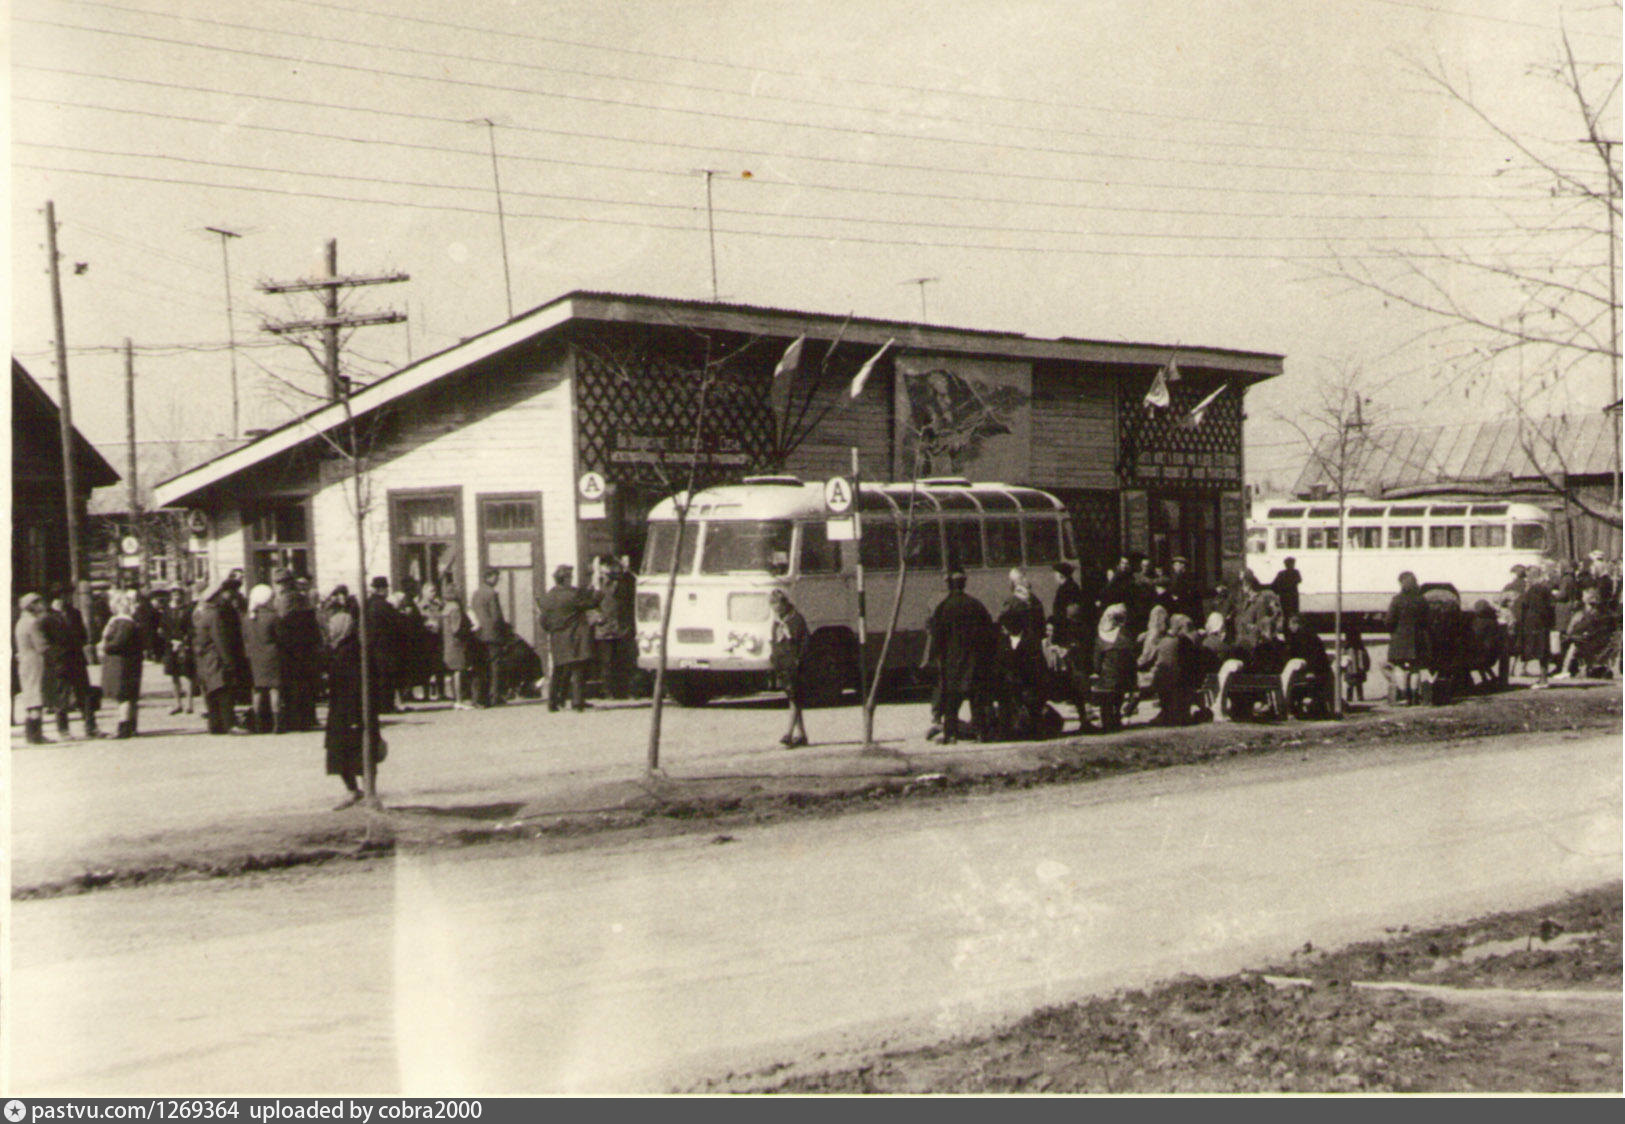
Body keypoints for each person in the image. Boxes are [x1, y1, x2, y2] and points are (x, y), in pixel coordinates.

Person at [323, 599, 385, 810]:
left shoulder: (350, 652)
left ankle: (368, 793)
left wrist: (353, 717)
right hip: (344, 710)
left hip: (351, 711)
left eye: (333, 627)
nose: (330, 631)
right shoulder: (342, 649)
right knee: (341, 753)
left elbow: (355, 686)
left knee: (360, 752)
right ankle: (358, 791)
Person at [925, 570, 995, 744]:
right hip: (975, 661)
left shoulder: (944, 607)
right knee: (976, 700)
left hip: (952, 662)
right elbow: (989, 633)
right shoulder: (976, 605)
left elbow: (937, 636)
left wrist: (934, 658)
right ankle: (981, 733)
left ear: (949, 585)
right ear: (964, 584)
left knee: (951, 701)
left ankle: (951, 735)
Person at [537, 564, 601, 712]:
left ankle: (552, 703)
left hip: (557, 638)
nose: (571, 579)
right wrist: (598, 591)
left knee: (558, 670)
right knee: (578, 668)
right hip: (574, 637)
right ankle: (577, 702)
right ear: (565, 578)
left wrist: (552, 630)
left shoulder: (548, 596)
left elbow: (543, 620)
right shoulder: (573, 594)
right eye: (570, 577)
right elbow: (590, 603)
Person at [194, 577, 247, 735]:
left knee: (212, 692)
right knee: (223, 690)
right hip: (214, 658)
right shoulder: (215, 615)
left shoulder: (203, 613)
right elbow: (220, 640)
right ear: (215, 597)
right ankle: (229, 724)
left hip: (205, 659)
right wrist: (229, 661)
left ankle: (215, 724)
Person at [46, 589, 99, 740]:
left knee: (85, 694)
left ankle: (91, 727)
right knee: (62, 696)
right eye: (57, 598)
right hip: (60, 662)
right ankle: (63, 730)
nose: (61, 600)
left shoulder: (74, 613)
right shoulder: (48, 618)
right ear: (52, 601)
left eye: (63, 597)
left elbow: (83, 634)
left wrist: (78, 643)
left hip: (77, 658)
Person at [274, 575, 323, 731]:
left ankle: (296, 719)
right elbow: (314, 629)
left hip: (292, 651)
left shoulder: (286, 602)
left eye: (281, 583)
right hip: (305, 651)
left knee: (294, 686)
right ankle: (307, 718)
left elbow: (282, 626)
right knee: (305, 686)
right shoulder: (304, 603)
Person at [99, 589, 145, 739]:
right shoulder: (129, 621)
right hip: (129, 662)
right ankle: (131, 727)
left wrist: (104, 647)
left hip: (122, 664)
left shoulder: (123, 622)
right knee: (129, 696)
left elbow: (119, 642)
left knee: (124, 696)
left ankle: (123, 728)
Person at [768, 590, 810, 747]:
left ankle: (788, 734)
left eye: (777, 605)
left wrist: (799, 659)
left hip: (794, 665)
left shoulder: (796, 620)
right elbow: (774, 642)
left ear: (784, 603)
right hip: (782, 665)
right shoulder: (777, 623)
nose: (775, 609)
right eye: (773, 605)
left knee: (794, 699)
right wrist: (774, 659)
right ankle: (803, 735)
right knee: (794, 699)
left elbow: (805, 642)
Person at [593, 554, 637, 700]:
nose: (612, 568)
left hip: (621, 628)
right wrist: (596, 617)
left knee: (622, 661)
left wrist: (626, 570)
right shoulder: (597, 583)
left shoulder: (623, 581)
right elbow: (589, 603)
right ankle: (608, 691)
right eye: (608, 566)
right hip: (604, 629)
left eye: (614, 565)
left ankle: (622, 691)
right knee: (607, 663)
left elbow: (632, 588)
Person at [242, 583, 283, 734]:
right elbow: (280, 637)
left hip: (255, 656)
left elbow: (245, 638)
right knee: (274, 689)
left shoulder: (248, 618)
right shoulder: (273, 617)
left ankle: (258, 723)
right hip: (272, 655)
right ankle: (276, 723)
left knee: (258, 689)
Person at [15, 593, 55, 744]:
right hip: (35, 661)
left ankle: (31, 734)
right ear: (31, 605)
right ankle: (36, 735)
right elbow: (41, 645)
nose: (41, 606)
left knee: (30, 695)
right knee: (37, 694)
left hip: (24, 661)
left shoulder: (21, 622)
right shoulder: (33, 622)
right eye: (38, 603)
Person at [1093, 604, 1138, 733]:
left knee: (1105, 699)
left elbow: (1096, 663)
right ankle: (1117, 715)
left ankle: (1107, 720)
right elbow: (1131, 658)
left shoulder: (1101, 638)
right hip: (1124, 678)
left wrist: (1096, 671)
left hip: (1106, 679)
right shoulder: (1125, 636)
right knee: (1118, 693)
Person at [1385, 571, 1429, 704]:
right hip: (1417, 638)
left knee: (1399, 666)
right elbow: (1427, 619)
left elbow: (1389, 621)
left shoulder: (1397, 600)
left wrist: (1391, 630)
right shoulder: (1421, 600)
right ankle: (1415, 696)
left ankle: (1404, 696)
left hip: (1400, 638)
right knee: (1415, 667)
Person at [1283, 614, 1334, 718]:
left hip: (1315, 671)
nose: (1289, 627)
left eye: (1291, 625)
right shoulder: (1310, 635)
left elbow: (1311, 655)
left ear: (1297, 624)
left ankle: (1292, 710)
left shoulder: (1302, 637)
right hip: (1322, 670)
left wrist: (1311, 670)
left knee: (1294, 685)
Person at [470, 568, 507, 707]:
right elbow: (496, 616)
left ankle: (477, 697)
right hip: (492, 634)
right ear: (489, 577)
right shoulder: (492, 594)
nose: (497, 580)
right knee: (495, 666)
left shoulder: (476, 593)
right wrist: (504, 630)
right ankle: (494, 696)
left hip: (479, 634)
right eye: (496, 576)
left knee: (480, 666)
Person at [1516, 565, 1556, 688]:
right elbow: (1550, 606)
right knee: (1542, 651)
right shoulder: (1544, 588)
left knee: (1540, 651)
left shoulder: (1535, 589)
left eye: (1529, 576)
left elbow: (1526, 605)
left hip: (1535, 624)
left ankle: (1543, 680)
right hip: (1542, 623)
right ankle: (1543, 678)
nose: (1527, 579)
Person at [161, 584, 197, 716]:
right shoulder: (166, 610)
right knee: (173, 675)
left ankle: (189, 703)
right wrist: (170, 640)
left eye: (179, 593)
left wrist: (183, 641)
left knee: (187, 674)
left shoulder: (188, 609)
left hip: (184, 645)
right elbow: (163, 628)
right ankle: (177, 703)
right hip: (170, 645)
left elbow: (192, 627)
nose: (176, 595)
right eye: (174, 593)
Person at [441, 592, 475, 709]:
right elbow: (456, 628)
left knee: (452, 671)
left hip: (448, 642)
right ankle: (459, 700)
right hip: (456, 643)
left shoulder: (446, 608)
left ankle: (455, 699)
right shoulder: (455, 608)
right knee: (459, 671)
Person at [1166, 555, 1203, 624]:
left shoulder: (1190, 577)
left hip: (1188, 610)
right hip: (1178, 609)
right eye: (1174, 565)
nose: (1174, 567)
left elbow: (1193, 595)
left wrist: (1178, 597)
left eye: (1176, 565)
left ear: (1182, 565)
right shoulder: (1175, 578)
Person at [1341, 618, 1370, 702]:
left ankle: (1350, 697)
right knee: (1358, 684)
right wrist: (1366, 667)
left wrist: (1343, 668)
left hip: (1350, 670)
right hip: (1359, 669)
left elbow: (1343, 660)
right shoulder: (1361, 649)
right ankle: (1360, 697)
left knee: (1350, 684)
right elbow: (1366, 659)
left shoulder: (1346, 649)